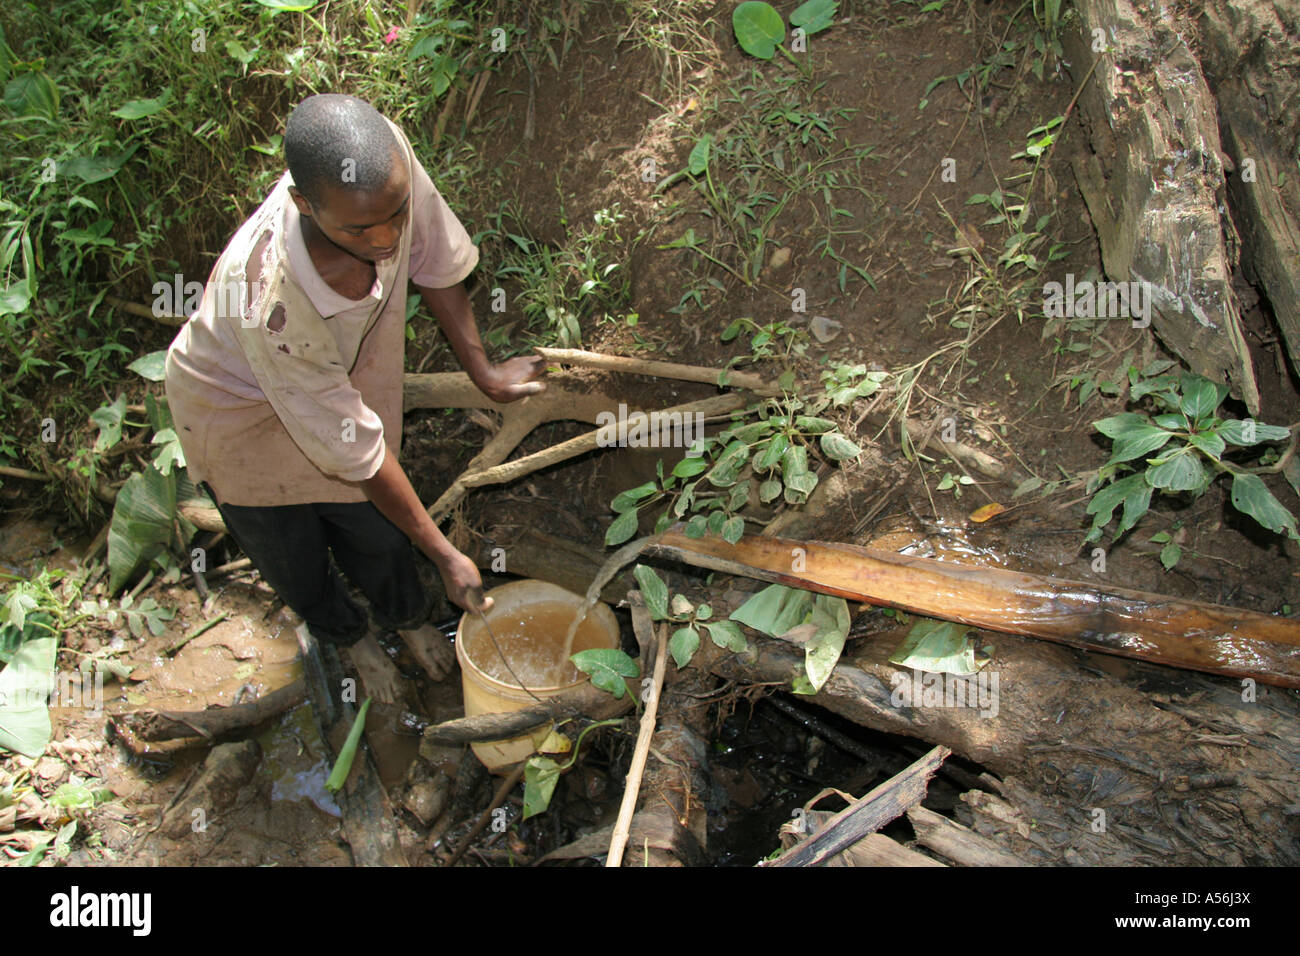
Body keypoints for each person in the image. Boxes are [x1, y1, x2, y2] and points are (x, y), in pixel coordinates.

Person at [164, 93, 544, 703]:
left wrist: (485, 371)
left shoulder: (379, 164)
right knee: (293, 552)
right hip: (236, 413)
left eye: (394, 213)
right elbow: (361, 455)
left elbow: (435, 256)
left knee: (376, 532)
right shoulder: (269, 297)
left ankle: (410, 620)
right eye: (360, 229)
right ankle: (350, 636)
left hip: (325, 377)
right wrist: (447, 555)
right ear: (304, 205)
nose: (387, 236)